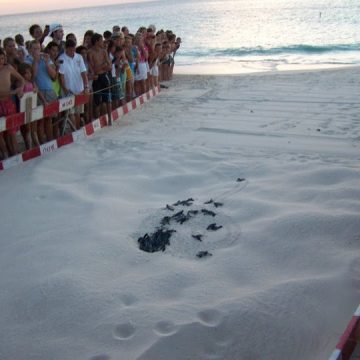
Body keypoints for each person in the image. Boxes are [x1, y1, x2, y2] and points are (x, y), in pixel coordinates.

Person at [25, 40, 58, 142]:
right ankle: (42, 143)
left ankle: (50, 140)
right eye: (34, 48)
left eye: (38, 48)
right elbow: (32, 77)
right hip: (37, 93)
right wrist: (35, 61)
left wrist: (47, 63)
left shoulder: (46, 59)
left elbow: (54, 76)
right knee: (40, 120)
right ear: (30, 49)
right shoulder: (27, 61)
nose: (36, 51)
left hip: (49, 90)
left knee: (49, 118)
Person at [58, 39, 89, 130]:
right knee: (70, 113)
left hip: (80, 89)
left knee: (78, 112)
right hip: (68, 91)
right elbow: (61, 76)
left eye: (73, 49)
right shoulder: (61, 58)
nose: (72, 52)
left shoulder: (79, 57)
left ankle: (78, 129)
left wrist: (86, 87)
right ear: (66, 48)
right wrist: (65, 89)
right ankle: (74, 130)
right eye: (70, 50)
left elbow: (84, 73)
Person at [0, 48, 25, 158]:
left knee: (12, 132)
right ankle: (5, 154)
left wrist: (20, 89)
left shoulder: (8, 68)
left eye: (2, 58)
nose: (1, 60)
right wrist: (13, 91)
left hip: (8, 103)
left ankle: (15, 155)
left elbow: (22, 79)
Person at [17, 62, 44, 149]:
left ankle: (37, 146)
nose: (29, 74)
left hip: (33, 106)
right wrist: (21, 87)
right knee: (28, 130)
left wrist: (44, 101)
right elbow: (19, 94)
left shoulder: (32, 82)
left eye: (30, 72)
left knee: (34, 130)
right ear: (22, 74)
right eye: (27, 73)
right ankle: (29, 148)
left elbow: (38, 91)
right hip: (25, 108)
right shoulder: (20, 83)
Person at [87, 33, 112, 120]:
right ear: (97, 41)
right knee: (97, 101)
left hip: (104, 76)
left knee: (107, 99)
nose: (103, 42)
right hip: (96, 78)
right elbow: (93, 70)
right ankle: (97, 119)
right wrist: (103, 65)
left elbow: (109, 66)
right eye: (101, 40)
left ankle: (109, 118)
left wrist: (101, 67)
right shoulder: (90, 52)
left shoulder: (104, 51)